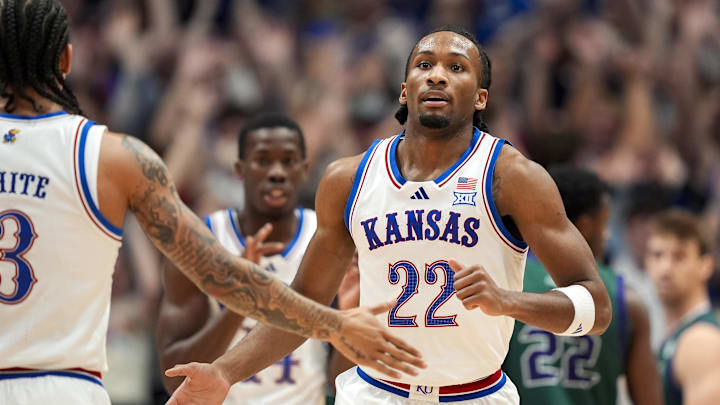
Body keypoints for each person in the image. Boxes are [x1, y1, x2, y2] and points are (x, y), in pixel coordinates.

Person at [0, 1, 423, 404]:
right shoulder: (114, 157)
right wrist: (334, 324)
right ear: (67, 61)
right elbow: (226, 277)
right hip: (62, 387)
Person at [165, 24, 611, 405]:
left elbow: (597, 307)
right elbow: (305, 302)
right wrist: (225, 372)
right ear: (405, 89)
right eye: (424, 65)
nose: (437, 75)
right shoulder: (349, 178)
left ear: (480, 97)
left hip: (475, 392)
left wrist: (507, 302)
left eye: (456, 68)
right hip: (375, 393)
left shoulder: (512, 177)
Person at [157, 113, 332, 404]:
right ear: (239, 169)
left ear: (304, 170)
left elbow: (346, 372)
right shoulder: (200, 245)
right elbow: (171, 376)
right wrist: (239, 300)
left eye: (288, 161)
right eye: (263, 160)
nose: (276, 172)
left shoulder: (327, 241)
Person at [503, 166, 662, 405]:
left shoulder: (506, 282)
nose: (607, 235)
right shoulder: (627, 300)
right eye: (605, 224)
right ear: (586, 226)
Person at [646, 210, 720, 405]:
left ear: (706, 265)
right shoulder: (676, 336)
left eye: (679, 257)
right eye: (657, 255)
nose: (665, 268)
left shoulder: (702, 340)